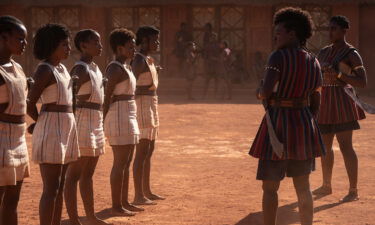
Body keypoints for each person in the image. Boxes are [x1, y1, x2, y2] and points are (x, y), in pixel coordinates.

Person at [249, 7, 325, 225]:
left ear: (292, 33)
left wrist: (259, 91)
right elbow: (316, 101)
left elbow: (265, 92)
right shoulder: (314, 60)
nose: (276, 36)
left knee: (270, 187)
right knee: (304, 187)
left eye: (279, 32)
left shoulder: (278, 56)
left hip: (278, 125)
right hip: (303, 123)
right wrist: (304, 120)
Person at [27, 23, 79, 225]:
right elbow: (29, 103)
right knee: (51, 187)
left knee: (60, 185)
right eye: (64, 45)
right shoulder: (44, 70)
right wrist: (41, 123)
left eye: (68, 44)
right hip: (51, 129)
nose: (68, 49)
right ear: (51, 46)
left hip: (65, 127)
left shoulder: (63, 69)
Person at [313, 15, 368, 202]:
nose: (330, 32)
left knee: (346, 146)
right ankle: (326, 185)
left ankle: (353, 190)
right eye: (329, 28)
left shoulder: (351, 53)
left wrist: (339, 75)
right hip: (325, 102)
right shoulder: (323, 52)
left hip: (343, 102)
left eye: (334, 28)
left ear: (344, 31)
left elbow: (362, 82)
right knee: (325, 147)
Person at [64, 29, 109, 225]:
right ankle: (74, 219)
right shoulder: (79, 69)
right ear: (83, 45)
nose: (100, 46)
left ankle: (90, 216)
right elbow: (68, 100)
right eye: (95, 42)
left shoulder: (95, 68)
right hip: (82, 121)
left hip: (95, 120)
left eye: (100, 42)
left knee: (89, 173)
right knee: (74, 174)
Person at [103, 28, 143, 216]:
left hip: (129, 115)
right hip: (118, 117)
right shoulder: (114, 68)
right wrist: (101, 122)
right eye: (130, 47)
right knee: (120, 163)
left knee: (127, 162)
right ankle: (116, 205)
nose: (133, 50)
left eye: (134, 46)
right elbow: (106, 97)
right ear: (119, 49)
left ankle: (124, 201)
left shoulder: (126, 67)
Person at [0, 15, 29, 225]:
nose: (24, 43)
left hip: (18, 140)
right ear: (3, 38)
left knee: (13, 199)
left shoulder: (17, 68)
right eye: (20, 39)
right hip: (1, 140)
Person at [132, 26, 165, 205]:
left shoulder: (148, 59)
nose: (157, 43)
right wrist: (148, 86)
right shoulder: (138, 60)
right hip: (142, 105)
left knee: (149, 150)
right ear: (144, 41)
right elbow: (131, 85)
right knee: (142, 151)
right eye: (155, 40)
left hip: (151, 104)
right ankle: (138, 194)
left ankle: (146, 190)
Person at [202, 23, 220, 99]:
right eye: (212, 37)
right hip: (210, 65)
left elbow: (220, 55)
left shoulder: (218, 46)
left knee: (216, 80)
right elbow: (205, 56)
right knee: (207, 81)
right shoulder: (207, 46)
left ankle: (215, 95)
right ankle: (204, 95)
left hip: (215, 65)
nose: (213, 38)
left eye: (214, 37)